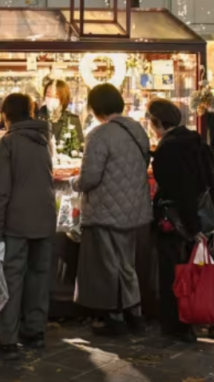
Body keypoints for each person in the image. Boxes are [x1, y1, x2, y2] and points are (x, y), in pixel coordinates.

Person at [71, 84, 151, 336]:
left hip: (105, 210)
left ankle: (114, 318)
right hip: (134, 209)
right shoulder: (138, 130)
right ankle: (135, 314)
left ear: (95, 109)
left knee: (109, 265)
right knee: (127, 264)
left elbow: (90, 178)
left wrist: (74, 182)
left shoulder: (99, 135)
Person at [149, 98, 214, 343]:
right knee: (205, 267)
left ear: (157, 123)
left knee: (178, 272)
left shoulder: (168, 149)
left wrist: (191, 227)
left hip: (180, 222)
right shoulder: (195, 141)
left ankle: (180, 324)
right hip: (205, 216)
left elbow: (179, 190)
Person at [0, 94, 56, 359]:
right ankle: (35, 332)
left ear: (6, 115)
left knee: (11, 280)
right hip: (45, 219)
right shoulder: (43, 140)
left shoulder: (7, 144)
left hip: (16, 223)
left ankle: (7, 339)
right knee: (39, 277)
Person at [37, 79, 84, 150]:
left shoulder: (72, 120)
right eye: (48, 95)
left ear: (64, 98)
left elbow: (80, 147)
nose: (51, 99)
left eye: (56, 96)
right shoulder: (35, 118)